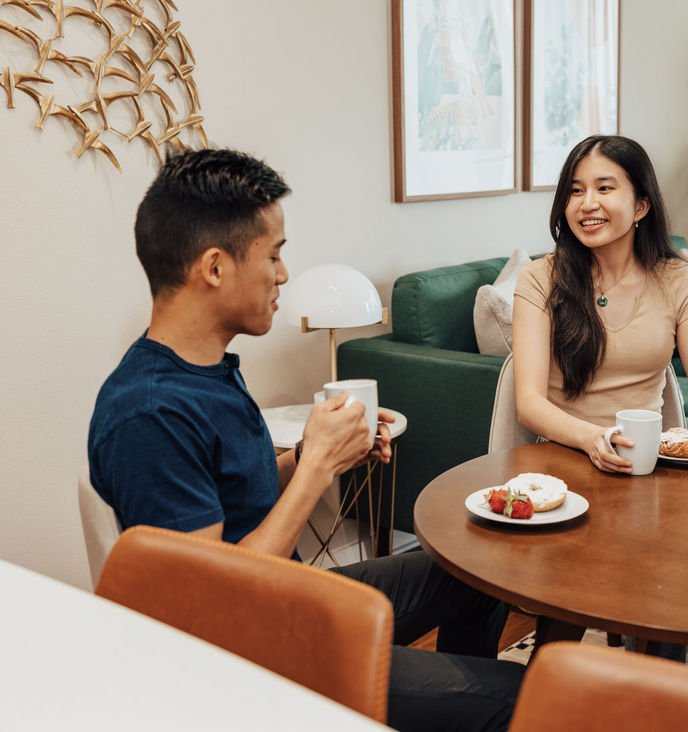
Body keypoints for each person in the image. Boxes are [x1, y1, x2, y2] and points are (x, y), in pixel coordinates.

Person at [88, 148, 523, 731]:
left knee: (476, 567)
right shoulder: (148, 415)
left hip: (292, 598)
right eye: (274, 254)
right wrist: (315, 467)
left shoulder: (207, 371)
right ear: (214, 267)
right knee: (528, 696)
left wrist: (314, 457)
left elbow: (241, 497)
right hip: (254, 656)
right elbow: (210, 604)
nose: (284, 275)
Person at [512, 134, 688, 682]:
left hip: (653, 474)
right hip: (568, 468)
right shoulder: (542, 280)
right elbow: (530, 403)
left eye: (605, 188)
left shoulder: (676, 280)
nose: (588, 203)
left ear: (640, 205)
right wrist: (590, 438)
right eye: (576, 190)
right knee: (650, 584)